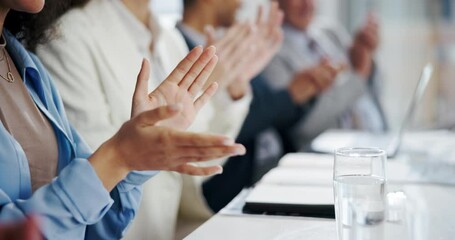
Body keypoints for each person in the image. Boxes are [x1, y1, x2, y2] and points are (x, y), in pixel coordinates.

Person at [0, 0, 245, 239]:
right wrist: (120, 156)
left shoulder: (28, 67)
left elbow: (94, 221)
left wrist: (138, 158)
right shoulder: (73, 35)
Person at [178, 0, 345, 214]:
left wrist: (303, 92)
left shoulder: (229, 45)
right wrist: (290, 95)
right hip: (235, 190)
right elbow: (225, 127)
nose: (241, 3)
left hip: (276, 170)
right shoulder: (180, 52)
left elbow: (268, 112)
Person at [263, 0, 388, 150]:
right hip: (331, 156)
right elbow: (303, 127)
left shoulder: (331, 32)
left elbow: (374, 91)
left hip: (377, 139)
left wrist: (366, 57)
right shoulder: (270, 54)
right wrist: (359, 75)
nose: (307, 4)